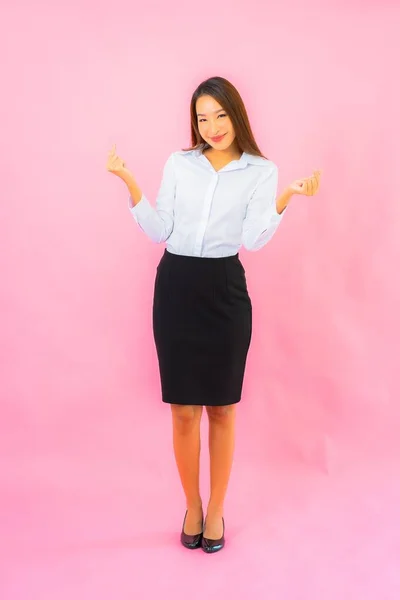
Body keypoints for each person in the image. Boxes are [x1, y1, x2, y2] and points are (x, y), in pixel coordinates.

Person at [106, 76, 321, 554]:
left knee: (222, 408)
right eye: (202, 118)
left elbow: (255, 238)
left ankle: (218, 509)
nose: (212, 126)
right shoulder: (179, 164)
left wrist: (285, 197)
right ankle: (193, 506)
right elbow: (161, 228)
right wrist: (129, 181)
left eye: (219, 115)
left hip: (225, 290)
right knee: (184, 412)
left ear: (236, 114)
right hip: (177, 288)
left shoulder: (260, 171)